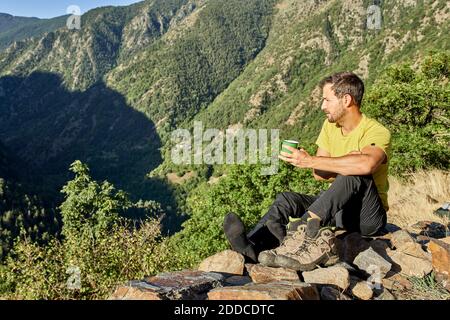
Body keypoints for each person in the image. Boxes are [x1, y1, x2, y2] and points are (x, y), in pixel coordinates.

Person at [223, 71, 391, 271]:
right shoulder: (331, 127)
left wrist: (319, 161)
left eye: (327, 100)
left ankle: (298, 235)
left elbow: (366, 165)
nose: (322, 106)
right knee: (287, 200)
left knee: (354, 174)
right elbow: (319, 174)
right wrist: (309, 161)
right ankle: (251, 248)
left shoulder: (376, 131)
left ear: (346, 100)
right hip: (338, 206)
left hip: (367, 217)